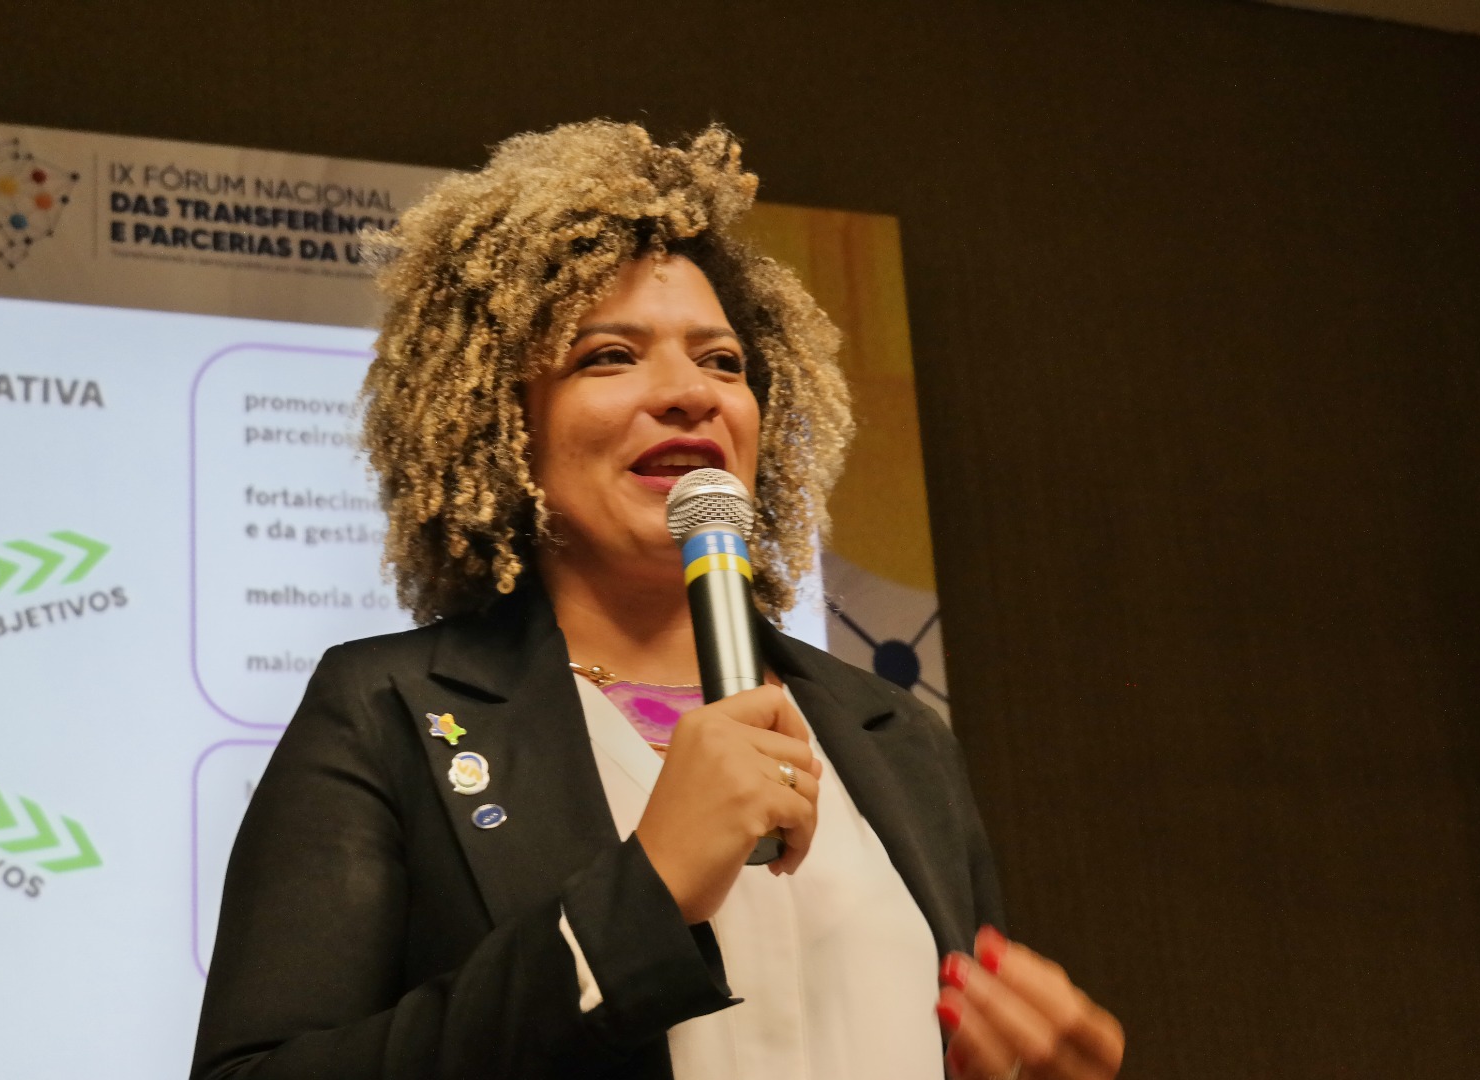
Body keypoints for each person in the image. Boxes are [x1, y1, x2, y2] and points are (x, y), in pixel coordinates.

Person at [191, 121, 1124, 1080]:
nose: (690, 393)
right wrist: (639, 899)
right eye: (609, 356)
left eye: (723, 362)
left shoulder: (898, 739)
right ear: (500, 420)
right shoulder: (384, 711)